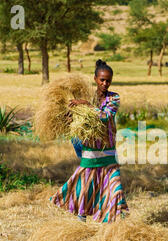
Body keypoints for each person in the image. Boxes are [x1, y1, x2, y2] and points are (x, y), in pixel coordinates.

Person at [50, 59, 128, 223]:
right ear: (95, 79)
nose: (105, 83)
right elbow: (76, 121)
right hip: (90, 148)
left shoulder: (114, 98)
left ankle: (117, 219)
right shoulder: (86, 97)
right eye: (102, 80)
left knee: (114, 184)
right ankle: (81, 219)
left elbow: (106, 116)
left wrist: (86, 105)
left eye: (108, 80)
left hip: (107, 149)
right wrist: (69, 114)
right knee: (86, 184)